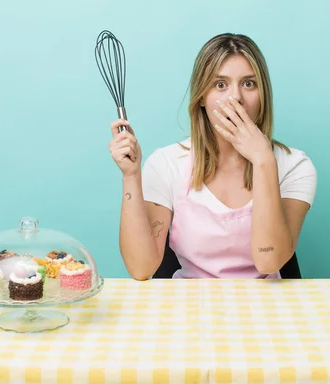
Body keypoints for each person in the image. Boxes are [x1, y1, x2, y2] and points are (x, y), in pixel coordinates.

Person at [108, 33, 317, 280]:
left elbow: (268, 260)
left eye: (249, 83)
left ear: (263, 96)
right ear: (202, 99)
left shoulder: (294, 166)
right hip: (189, 307)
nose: (236, 97)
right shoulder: (166, 164)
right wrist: (131, 176)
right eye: (220, 84)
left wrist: (263, 161)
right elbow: (141, 269)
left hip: (265, 310)